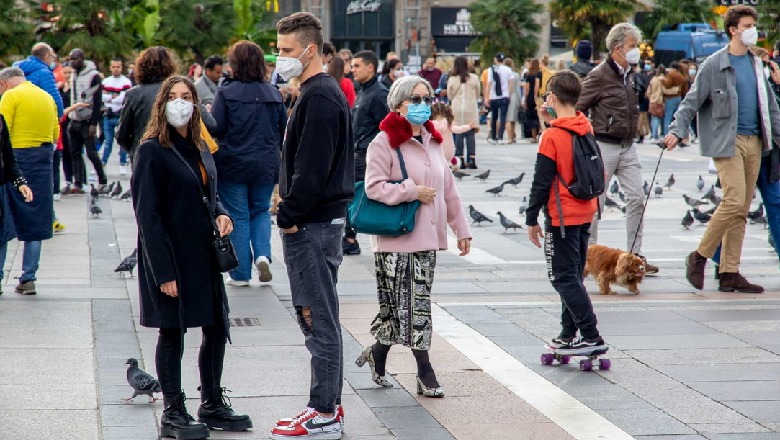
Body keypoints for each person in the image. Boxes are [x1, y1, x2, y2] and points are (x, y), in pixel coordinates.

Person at [132, 75, 251, 440]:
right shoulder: (152, 149)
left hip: (203, 255)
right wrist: (162, 272)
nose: (181, 103)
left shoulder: (200, 144)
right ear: (162, 103)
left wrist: (221, 211)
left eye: (187, 97)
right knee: (173, 332)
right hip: (170, 255)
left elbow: (207, 192)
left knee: (217, 326)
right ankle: (173, 410)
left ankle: (211, 402)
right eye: (174, 97)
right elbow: (146, 216)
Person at [356, 74, 473, 398]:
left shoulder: (434, 140)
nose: (423, 105)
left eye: (427, 98)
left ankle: (378, 354)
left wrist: (461, 229)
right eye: (416, 100)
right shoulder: (384, 142)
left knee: (406, 308)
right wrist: (411, 191)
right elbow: (373, 187)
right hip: (395, 241)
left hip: (427, 239)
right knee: (411, 308)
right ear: (399, 104)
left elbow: (448, 189)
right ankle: (425, 372)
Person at [271, 12, 353, 439]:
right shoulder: (315, 93)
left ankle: (324, 411)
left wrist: (288, 216)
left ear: (309, 49)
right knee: (316, 316)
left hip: (312, 224)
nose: (280, 58)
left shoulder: (320, 96)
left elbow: (312, 169)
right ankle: (325, 408)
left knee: (317, 317)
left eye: (286, 51)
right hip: (316, 222)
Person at [664, 5, 780, 293]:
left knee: (741, 208)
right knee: (733, 200)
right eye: (748, 25)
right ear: (733, 30)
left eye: (754, 24)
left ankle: (729, 272)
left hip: (757, 142)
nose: (753, 29)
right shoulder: (714, 64)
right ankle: (700, 256)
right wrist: (676, 131)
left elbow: (771, 107)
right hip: (727, 141)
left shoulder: (757, 64)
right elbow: (691, 101)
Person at [526, 70, 606, 354]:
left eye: (548, 94)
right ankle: (567, 333)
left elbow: (541, 180)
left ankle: (591, 335)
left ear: (554, 97)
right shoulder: (584, 125)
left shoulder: (552, 136)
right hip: (586, 211)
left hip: (561, 216)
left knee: (562, 276)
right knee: (573, 274)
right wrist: (550, 121)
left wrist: (531, 218)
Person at [576, 22, 659, 274]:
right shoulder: (599, 75)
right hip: (604, 145)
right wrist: (587, 134)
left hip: (628, 146)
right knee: (595, 204)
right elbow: (579, 106)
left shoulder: (629, 75)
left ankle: (635, 256)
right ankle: (588, 256)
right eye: (633, 46)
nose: (637, 51)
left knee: (637, 198)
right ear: (617, 48)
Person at [210, 40, 287, 287]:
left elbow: (217, 127)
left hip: (233, 163)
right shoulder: (273, 93)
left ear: (235, 64)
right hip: (266, 164)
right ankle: (263, 255)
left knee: (238, 216)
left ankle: (241, 274)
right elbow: (283, 129)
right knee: (261, 211)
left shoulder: (226, 92)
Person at [0, 67, 53, 295]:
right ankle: (28, 278)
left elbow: (4, 134)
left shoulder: (11, 96)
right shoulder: (46, 97)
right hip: (42, 161)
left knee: (3, 221)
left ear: (5, 83)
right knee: (36, 220)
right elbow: (56, 131)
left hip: (16, 161)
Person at [344, 50, 389, 256]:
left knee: (357, 194)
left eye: (356, 66)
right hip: (357, 152)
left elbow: (387, 126)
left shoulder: (379, 94)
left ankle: (351, 238)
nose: (352, 70)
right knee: (352, 194)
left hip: (366, 154)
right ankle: (349, 237)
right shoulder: (363, 91)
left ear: (370, 67)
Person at [117, 46, 177, 164]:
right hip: (172, 158)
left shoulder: (133, 94)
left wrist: (135, 149)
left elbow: (121, 134)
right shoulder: (179, 91)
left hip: (142, 157)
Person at [67, 49, 107, 191]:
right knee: (75, 153)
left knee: (91, 153)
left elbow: (97, 102)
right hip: (74, 119)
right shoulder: (73, 73)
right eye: (71, 59)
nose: (73, 62)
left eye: (76, 59)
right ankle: (78, 182)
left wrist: (94, 123)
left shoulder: (93, 76)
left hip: (87, 120)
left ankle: (102, 181)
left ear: (83, 59)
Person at [13, 43, 64, 118]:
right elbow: (54, 98)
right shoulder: (44, 73)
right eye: (53, 57)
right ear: (47, 56)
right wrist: (60, 114)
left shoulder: (16, 70)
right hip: (37, 116)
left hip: (17, 115)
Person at [447, 56, 481, 169]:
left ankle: (460, 159)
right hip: (470, 107)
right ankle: (472, 159)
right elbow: (477, 94)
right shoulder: (474, 78)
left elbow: (449, 96)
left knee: (459, 134)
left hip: (456, 108)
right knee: (470, 133)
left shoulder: (452, 79)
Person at [101, 58, 133, 174]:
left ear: (121, 67)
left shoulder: (126, 82)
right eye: (113, 67)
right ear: (110, 68)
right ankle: (103, 163)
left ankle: (122, 164)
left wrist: (110, 97)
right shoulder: (105, 82)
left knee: (122, 141)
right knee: (108, 141)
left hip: (120, 115)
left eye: (118, 67)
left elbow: (123, 98)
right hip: (108, 115)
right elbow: (101, 97)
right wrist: (112, 97)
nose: (116, 69)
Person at [430, 101, 475, 167]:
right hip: (448, 151)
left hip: (435, 150)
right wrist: (468, 126)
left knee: (437, 165)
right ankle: (454, 164)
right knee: (447, 164)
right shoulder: (448, 123)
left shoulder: (430, 125)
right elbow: (458, 129)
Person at [485, 52, 512, 144]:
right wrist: (509, 94)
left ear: (495, 59)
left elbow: (489, 84)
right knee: (503, 117)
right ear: (503, 60)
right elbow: (510, 84)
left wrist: (486, 97)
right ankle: (500, 137)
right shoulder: (508, 70)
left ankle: (493, 137)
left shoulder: (490, 70)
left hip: (494, 96)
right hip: (505, 96)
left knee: (494, 117)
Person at [661, 61, 688, 135]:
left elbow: (667, 85)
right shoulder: (680, 75)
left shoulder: (671, 74)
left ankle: (666, 133)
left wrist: (663, 80)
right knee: (678, 117)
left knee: (668, 116)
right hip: (678, 97)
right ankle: (682, 133)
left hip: (670, 97)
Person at [522, 59, 541, 143]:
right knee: (539, 116)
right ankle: (539, 134)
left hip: (531, 97)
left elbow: (527, 89)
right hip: (540, 96)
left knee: (531, 117)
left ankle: (534, 137)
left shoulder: (529, 75)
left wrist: (525, 99)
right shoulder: (541, 74)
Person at [646, 65, 666, 141]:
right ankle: (658, 134)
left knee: (654, 118)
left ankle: (653, 135)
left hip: (652, 100)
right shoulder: (664, 80)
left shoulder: (653, 79)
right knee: (659, 119)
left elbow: (648, 91)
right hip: (660, 101)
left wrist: (651, 98)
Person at [504, 58, 520, 144]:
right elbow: (518, 89)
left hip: (506, 96)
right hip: (514, 96)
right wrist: (520, 100)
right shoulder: (516, 75)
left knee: (508, 119)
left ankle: (510, 137)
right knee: (513, 118)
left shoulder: (503, 75)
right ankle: (512, 137)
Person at [635, 60, 651, 143]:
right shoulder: (647, 76)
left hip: (640, 98)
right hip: (646, 98)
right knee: (644, 116)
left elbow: (639, 87)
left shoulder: (638, 75)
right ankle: (643, 133)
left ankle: (641, 133)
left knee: (641, 117)